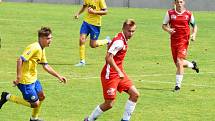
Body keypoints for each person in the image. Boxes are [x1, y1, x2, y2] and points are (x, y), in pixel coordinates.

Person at [0, 27, 67, 121]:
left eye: (51, 38)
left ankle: (34, 118)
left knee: (41, 97)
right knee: (35, 104)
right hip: (25, 81)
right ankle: (7, 96)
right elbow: (20, 60)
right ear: (41, 38)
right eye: (48, 38)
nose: (50, 40)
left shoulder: (42, 49)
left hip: (33, 79)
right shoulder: (34, 47)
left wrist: (58, 76)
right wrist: (18, 77)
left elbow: (45, 66)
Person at [84, 19, 140, 121]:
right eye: (129, 31)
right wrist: (118, 71)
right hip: (110, 75)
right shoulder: (119, 42)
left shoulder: (122, 38)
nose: (131, 33)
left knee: (135, 94)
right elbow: (108, 57)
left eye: (133, 31)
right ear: (123, 29)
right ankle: (89, 119)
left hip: (119, 73)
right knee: (109, 104)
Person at [162, 0, 199, 91]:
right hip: (174, 41)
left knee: (179, 62)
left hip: (184, 41)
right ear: (175, 3)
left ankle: (177, 86)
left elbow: (194, 25)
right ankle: (192, 65)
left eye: (181, 2)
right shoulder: (170, 13)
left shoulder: (188, 14)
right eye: (177, 2)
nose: (179, 4)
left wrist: (194, 34)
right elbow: (163, 25)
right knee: (179, 64)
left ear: (184, 3)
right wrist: (168, 30)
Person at [74, 0, 110, 67]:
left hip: (96, 25)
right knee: (81, 40)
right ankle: (82, 61)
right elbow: (84, 6)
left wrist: (94, 12)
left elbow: (105, 12)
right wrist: (78, 13)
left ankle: (107, 41)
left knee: (93, 45)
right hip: (86, 22)